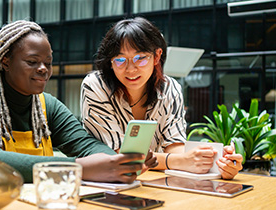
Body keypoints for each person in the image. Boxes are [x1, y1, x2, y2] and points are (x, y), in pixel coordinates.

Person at [0, 20, 158, 183]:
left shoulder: (46, 105)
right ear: (5, 61)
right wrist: (77, 167)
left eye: (48, 63)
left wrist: (119, 162)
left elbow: (84, 145)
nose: (43, 69)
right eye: (32, 62)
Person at [80, 17, 242, 179]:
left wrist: (216, 159)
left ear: (157, 56)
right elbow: (122, 157)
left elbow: (174, 147)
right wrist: (182, 161)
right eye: (120, 60)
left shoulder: (170, 89)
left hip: (155, 183)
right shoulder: (96, 86)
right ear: (110, 62)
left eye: (140, 58)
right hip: (107, 184)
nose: (130, 69)